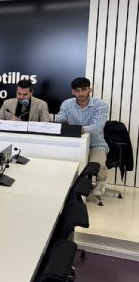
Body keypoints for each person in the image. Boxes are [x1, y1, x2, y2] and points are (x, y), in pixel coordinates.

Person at [56, 77, 109, 205]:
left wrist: (79, 129)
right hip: (75, 144)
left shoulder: (101, 105)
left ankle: (102, 179)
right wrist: (66, 125)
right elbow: (59, 120)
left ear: (89, 90)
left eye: (84, 90)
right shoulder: (67, 104)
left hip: (96, 145)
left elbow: (97, 127)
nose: (81, 94)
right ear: (73, 92)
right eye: (77, 90)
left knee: (96, 164)